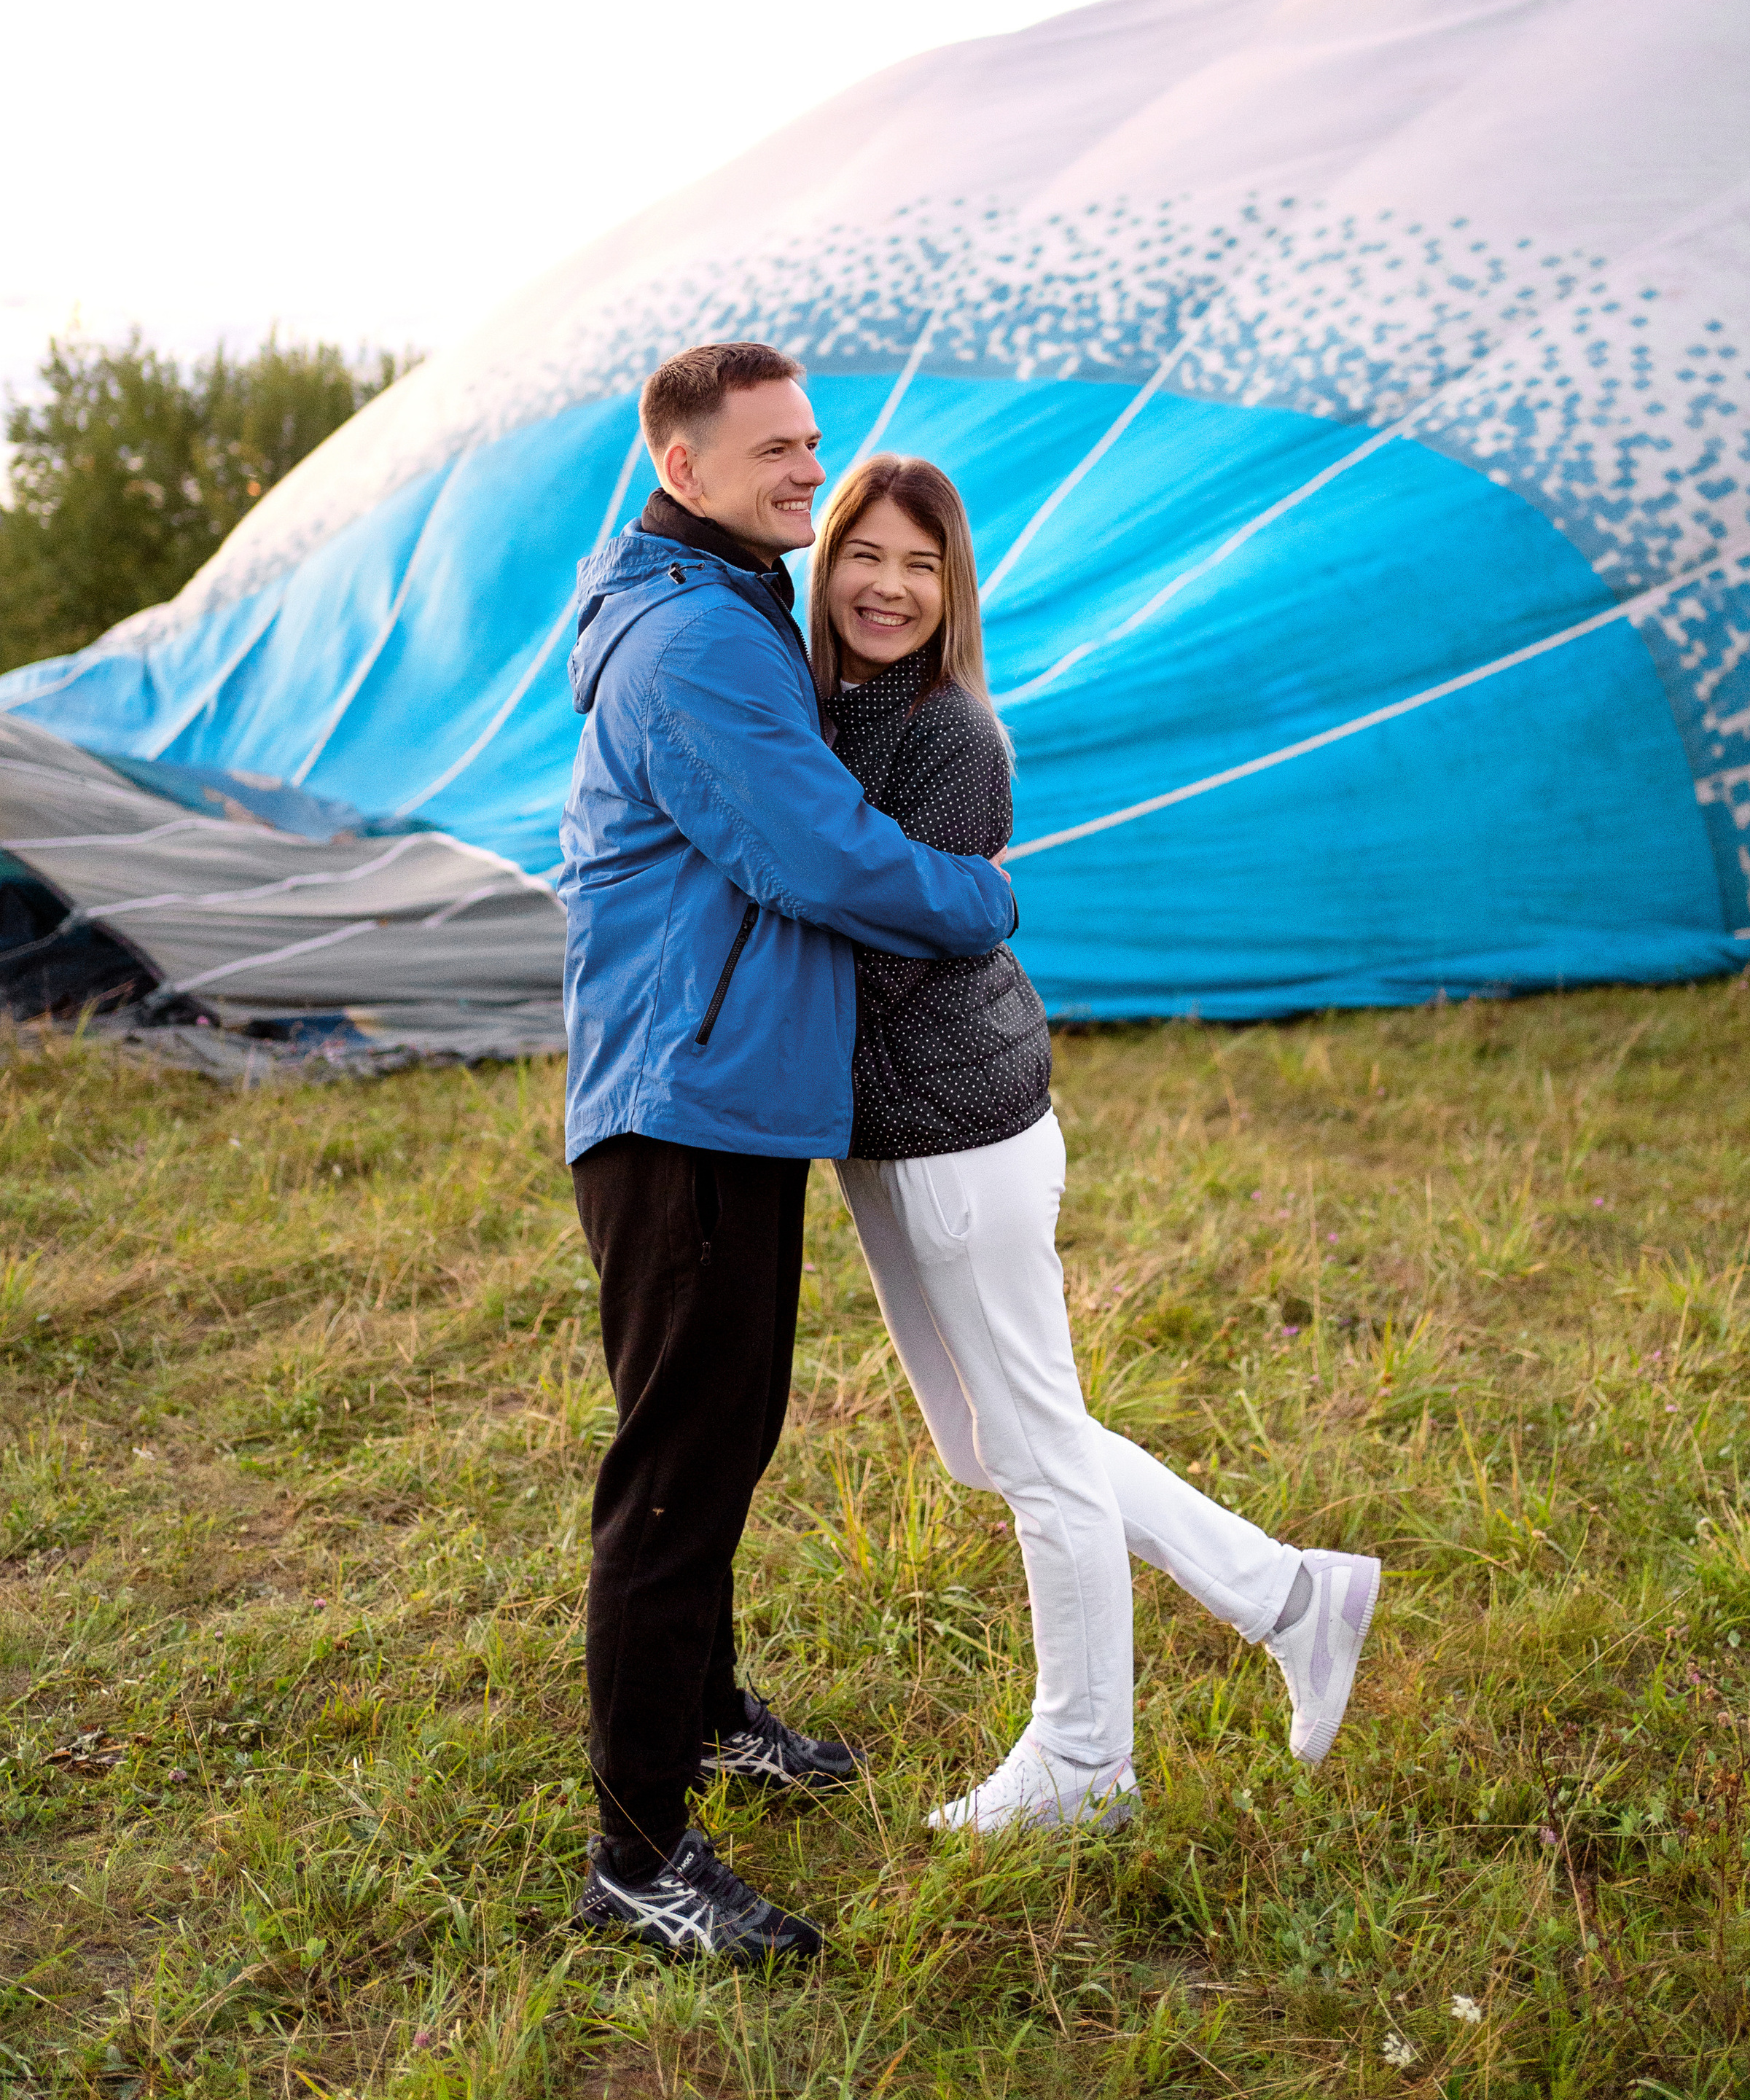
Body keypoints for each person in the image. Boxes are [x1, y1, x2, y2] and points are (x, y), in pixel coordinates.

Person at [816, 453, 1380, 1834]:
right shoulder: (823, 708)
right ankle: (1292, 1594)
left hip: (959, 1132)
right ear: (826, 563)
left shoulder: (952, 737)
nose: (889, 587)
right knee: (993, 1445)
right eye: (866, 555)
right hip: (885, 1132)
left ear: (953, 589)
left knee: (1037, 1457)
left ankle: (1085, 1762)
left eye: (921, 565)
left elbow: (894, 939)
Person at [558, 346, 1017, 1964]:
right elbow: (815, 856)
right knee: (678, 1475)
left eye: (810, 444)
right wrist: (985, 896)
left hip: (723, 1087)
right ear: (680, 467)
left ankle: (703, 1718)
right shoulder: (696, 638)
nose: (807, 476)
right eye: (773, 452)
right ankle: (637, 1858)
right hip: (685, 1100)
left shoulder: (730, 597)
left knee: (724, 1433)